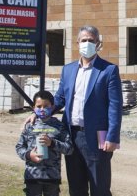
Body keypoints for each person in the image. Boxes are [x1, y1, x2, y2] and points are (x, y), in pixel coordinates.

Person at [54, 25, 122, 196]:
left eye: (91, 40)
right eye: (83, 40)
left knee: (100, 188)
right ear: (77, 43)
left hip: (98, 137)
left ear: (98, 43)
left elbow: (115, 107)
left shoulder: (108, 70)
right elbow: (59, 99)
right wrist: (39, 113)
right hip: (71, 136)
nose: (87, 43)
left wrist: (112, 137)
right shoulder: (68, 70)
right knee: (76, 188)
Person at [16, 90, 74, 196]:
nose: (42, 109)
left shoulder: (59, 126)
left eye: (46, 106)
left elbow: (69, 149)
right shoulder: (29, 126)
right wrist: (29, 155)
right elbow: (19, 147)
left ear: (52, 107)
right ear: (34, 108)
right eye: (39, 106)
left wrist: (52, 143)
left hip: (52, 177)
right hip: (32, 176)